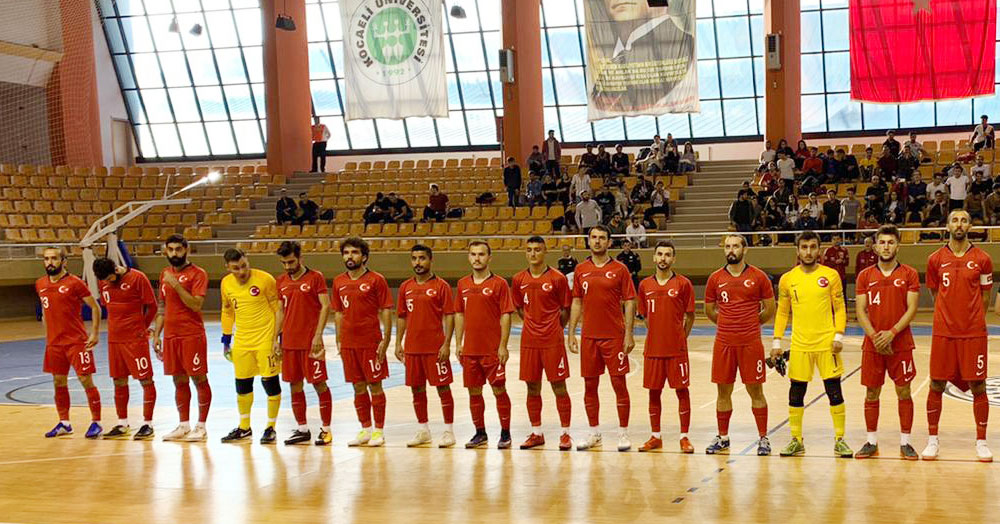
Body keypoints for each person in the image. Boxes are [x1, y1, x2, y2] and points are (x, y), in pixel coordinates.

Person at [772, 231, 852, 458]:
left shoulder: (831, 275)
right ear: (797, 250)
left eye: (813, 247)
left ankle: (840, 439)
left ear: (820, 249)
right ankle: (796, 440)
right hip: (799, 345)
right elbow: (782, 312)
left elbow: (840, 308)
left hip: (827, 344)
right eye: (804, 247)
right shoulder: (788, 279)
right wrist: (777, 341)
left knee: (834, 392)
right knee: (796, 393)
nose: (808, 252)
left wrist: (838, 336)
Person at [924, 210, 993, 461]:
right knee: (936, 383)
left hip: (973, 333)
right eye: (955, 220)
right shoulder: (934, 259)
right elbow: (935, 294)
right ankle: (933, 440)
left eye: (964, 220)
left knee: (978, 385)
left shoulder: (983, 259)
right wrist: (949, 316)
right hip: (943, 332)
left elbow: (985, 295)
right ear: (947, 225)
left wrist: (972, 320)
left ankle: (981, 442)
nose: (959, 224)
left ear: (970, 225)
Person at [703, 235, 775, 455]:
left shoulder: (759, 277)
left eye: (735, 246)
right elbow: (710, 311)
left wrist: (750, 324)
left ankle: (763, 438)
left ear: (745, 249)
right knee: (723, 391)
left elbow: (770, 309)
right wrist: (728, 325)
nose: (731, 250)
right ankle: (723, 437)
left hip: (750, 342)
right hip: (724, 343)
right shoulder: (715, 278)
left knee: (756, 391)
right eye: (727, 246)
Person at [853, 225, 920, 460]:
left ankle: (906, 442)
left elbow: (912, 308)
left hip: (900, 343)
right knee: (872, 392)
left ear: (897, 246)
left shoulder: (909, 274)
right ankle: (871, 441)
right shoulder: (865, 275)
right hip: (873, 344)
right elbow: (860, 311)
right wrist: (875, 337)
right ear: (876, 245)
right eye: (882, 242)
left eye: (890, 242)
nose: (886, 246)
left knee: (904, 391)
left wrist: (891, 333)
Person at [568, 225, 637, 452]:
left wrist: (628, 333)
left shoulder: (620, 269)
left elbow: (629, 301)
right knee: (590, 385)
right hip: (589, 337)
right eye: (594, 238)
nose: (597, 241)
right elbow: (577, 301)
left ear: (609, 242)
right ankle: (594, 431)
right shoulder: (581, 269)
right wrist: (571, 333)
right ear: (588, 241)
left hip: (614, 337)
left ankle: (623, 433)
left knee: (619, 384)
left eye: (602, 238)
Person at [331, 238, 393, 447]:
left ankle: (378, 431)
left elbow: (385, 309)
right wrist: (339, 338)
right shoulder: (339, 281)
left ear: (364, 256)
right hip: (349, 343)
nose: (350, 256)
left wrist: (386, 338)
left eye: (354, 252)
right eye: (346, 252)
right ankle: (365, 428)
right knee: (357, 386)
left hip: (370, 341)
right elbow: (338, 312)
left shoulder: (376, 280)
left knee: (375, 385)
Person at [514, 237, 574, 450]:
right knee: (532, 386)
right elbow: (520, 308)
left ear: (545, 251)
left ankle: (565, 433)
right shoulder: (518, 279)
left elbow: (566, 308)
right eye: (529, 250)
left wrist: (556, 327)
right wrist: (532, 323)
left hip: (552, 341)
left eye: (537, 250)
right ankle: (536, 432)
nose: (533, 254)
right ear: (525, 253)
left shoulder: (557, 278)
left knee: (559, 386)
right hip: (529, 341)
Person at [636, 240, 695, 453]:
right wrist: (655, 333)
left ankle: (684, 436)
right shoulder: (644, 285)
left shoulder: (683, 284)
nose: (663, 258)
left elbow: (690, 316)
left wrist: (680, 338)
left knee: (682, 391)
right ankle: (655, 436)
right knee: (654, 392)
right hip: (653, 349)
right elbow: (643, 316)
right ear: (654, 257)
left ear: (673, 258)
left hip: (676, 350)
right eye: (659, 254)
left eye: (668, 254)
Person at [37, 247, 103, 439]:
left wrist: (95, 333)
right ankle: (64, 423)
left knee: (85, 380)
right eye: (47, 259)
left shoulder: (75, 283)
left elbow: (95, 307)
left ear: (64, 261)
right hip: (54, 344)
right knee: (58, 381)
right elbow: (45, 311)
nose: (50, 262)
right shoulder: (40, 284)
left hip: (76, 342)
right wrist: (48, 336)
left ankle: (96, 422)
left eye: (54, 258)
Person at [455, 241, 515, 449]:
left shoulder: (499, 284)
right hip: (470, 350)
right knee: (474, 392)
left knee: (499, 390)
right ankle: (480, 433)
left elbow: (506, 315)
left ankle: (505, 432)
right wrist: (458, 343)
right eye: (473, 254)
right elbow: (459, 314)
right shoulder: (462, 284)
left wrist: (503, 345)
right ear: (468, 257)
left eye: (481, 254)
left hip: (492, 350)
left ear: (490, 258)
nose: (477, 258)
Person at [395, 244, 457, 448]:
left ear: (431, 260)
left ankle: (448, 431)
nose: (418, 263)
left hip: (435, 348)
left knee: (443, 388)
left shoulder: (441, 286)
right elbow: (402, 317)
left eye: (422, 258)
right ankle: (423, 430)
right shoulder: (405, 287)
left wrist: (447, 343)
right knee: (417, 389)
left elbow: (450, 316)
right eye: (414, 258)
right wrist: (398, 342)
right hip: (413, 349)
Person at [219, 248, 281, 444]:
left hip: (265, 338)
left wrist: (278, 337)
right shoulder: (226, 283)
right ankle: (244, 427)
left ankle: (271, 427)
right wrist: (226, 339)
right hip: (242, 340)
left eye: (244, 266)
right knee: (242, 384)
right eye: (236, 268)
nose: (242, 271)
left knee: (270, 382)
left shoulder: (265, 279)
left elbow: (278, 308)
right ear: (227, 268)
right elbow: (227, 311)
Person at [93, 257, 158, 440]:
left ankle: (148, 424)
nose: (105, 282)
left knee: (145, 380)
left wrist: (142, 328)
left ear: (116, 270)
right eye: (103, 280)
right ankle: (122, 424)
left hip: (135, 340)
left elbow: (152, 306)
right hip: (114, 340)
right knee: (118, 381)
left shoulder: (137, 278)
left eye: (108, 278)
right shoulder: (103, 281)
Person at [274, 241, 332, 446]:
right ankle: (302, 428)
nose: (288, 267)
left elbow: (326, 306)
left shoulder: (315, 277)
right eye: (284, 263)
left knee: (319, 383)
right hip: (289, 342)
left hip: (311, 342)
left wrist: (318, 335)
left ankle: (326, 429)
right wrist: (275, 338)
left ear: (300, 258)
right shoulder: (281, 281)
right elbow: (280, 311)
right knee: (294, 384)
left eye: (291, 262)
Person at [155, 234, 212, 442]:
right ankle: (183, 425)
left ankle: (201, 426)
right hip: (171, 336)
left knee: (199, 378)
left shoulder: (198, 274)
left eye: (178, 249)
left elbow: (196, 305)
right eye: (170, 249)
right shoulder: (164, 273)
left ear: (186, 249)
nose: (174, 254)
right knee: (178, 380)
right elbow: (162, 305)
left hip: (191, 335)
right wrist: (157, 333)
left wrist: (177, 285)